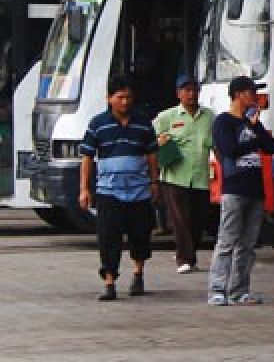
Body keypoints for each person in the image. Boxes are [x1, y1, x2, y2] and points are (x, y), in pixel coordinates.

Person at [78, 75, 159, 301]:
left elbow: (152, 155)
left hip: (139, 190)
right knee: (108, 238)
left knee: (140, 235)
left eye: (129, 97)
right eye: (120, 97)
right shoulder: (98, 124)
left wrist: (155, 182)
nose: (125, 102)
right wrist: (85, 189)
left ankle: (138, 273)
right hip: (108, 191)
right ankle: (110, 283)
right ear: (109, 99)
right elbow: (87, 157)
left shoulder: (143, 123)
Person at [207, 76, 274, 306]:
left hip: (255, 190)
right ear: (238, 94)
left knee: (247, 245)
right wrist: (254, 142)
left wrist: (256, 127)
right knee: (227, 241)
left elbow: (271, 146)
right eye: (250, 92)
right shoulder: (223, 122)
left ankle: (240, 290)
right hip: (234, 188)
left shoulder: (252, 123)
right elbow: (229, 149)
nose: (254, 96)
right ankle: (217, 289)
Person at [154, 72, 215, 274]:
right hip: (175, 176)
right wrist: (159, 142)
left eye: (195, 90)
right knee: (180, 219)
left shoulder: (209, 117)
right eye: (186, 90)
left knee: (198, 218)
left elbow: (216, 146)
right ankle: (184, 259)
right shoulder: (167, 117)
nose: (191, 94)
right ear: (178, 93)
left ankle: (191, 255)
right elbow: (148, 140)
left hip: (200, 177)